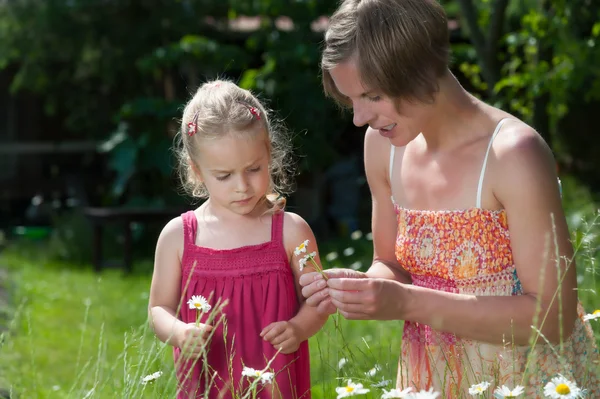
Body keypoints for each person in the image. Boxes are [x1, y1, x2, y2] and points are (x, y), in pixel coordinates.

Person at [299, 0, 600, 397]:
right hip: (432, 381)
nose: (357, 117)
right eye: (350, 100)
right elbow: (389, 263)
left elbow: (554, 317)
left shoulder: (512, 154)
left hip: (526, 380)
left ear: (419, 69)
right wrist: (364, 288)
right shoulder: (383, 147)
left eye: (371, 96)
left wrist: (406, 303)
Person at [148, 80, 327, 398]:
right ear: (197, 170)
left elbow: (319, 302)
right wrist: (179, 332)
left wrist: (299, 328)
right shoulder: (178, 237)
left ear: (269, 154)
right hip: (209, 382)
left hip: (276, 382)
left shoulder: (290, 232)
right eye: (224, 176)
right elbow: (159, 308)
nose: (242, 186)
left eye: (254, 169)